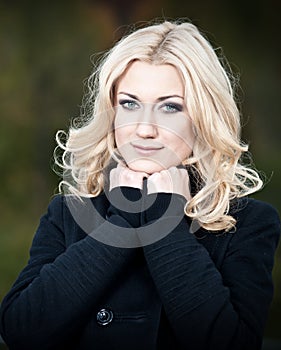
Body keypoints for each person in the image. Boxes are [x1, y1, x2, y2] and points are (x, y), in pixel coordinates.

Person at [0, 20, 280, 350]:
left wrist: (165, 217)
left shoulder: (249, 223)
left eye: (170, 106)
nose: (145, 129)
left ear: (204, 117)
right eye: (130, 103)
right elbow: (20, 330)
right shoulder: (68, 213)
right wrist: (124, 218)